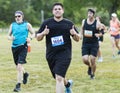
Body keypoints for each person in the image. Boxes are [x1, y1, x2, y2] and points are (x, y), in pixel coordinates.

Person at [36, 3, 80, 93]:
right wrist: (43, 33)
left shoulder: (69, 24)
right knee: (58, 77)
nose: (57, 10)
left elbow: (77, 39)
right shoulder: (47, 23)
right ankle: (67, 85)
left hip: (65, 54)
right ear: (53, 11)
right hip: (51, 55)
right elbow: (38, 38)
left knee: (59, 78)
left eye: (59, 9)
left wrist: (74, 33)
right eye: (55, 9)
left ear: (62, 11)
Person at [8, 10, 35, 92]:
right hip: (14, 47)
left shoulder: (27, 25)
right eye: (16, 16)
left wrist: (30, 38)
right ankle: (25, 74)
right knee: (18, 66)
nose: (17, 18)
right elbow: (8, 35)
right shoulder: (12, 25)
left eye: (19, 16)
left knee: (19, 66)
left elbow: (33, 33)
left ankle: (18, 85)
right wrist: (10, 38)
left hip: (23, 47)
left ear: (22, 16)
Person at [80, 9, 104, 79]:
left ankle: (92, 74)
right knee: (85, 60)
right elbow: (82, 29)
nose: (89, 14)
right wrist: (81, 35)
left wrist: (99, 35)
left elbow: (102, 32)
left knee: (93, 59)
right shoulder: (84, 21)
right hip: (85, 44)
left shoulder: (97, 23)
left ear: (93, 14)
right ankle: (90, 67)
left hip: (94, 44)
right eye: (88, 13)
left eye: (90, 13)